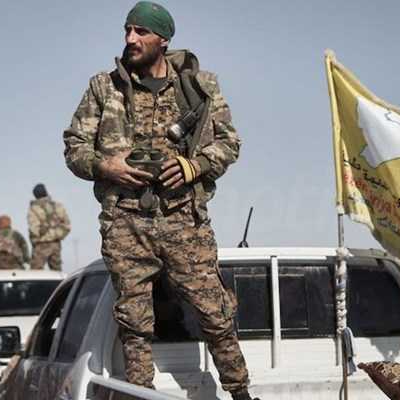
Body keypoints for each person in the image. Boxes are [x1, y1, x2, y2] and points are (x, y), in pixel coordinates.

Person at [63, 2, 257, 399]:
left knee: (215, 313)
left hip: (184, 219)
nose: (130, 38)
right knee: (134, 324)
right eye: (127, 30)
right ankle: (142, 395)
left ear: (163, 39)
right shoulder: (104, 87)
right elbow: (74, 146)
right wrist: (105, 166)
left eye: (141, 31)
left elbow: (230, 143)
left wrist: (195, 165)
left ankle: (240, 393)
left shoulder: (199, 86)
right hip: (125, 222)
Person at [27, 183, 71, 271]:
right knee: (57, 272)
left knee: (35, 273)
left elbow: (34, 230)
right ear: (46, 192)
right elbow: (67, 226)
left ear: (35, 195)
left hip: (40, 245)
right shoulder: (57, 206)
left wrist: (44, 235)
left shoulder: (33, 209)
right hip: (56, 243)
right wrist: (56, 235)